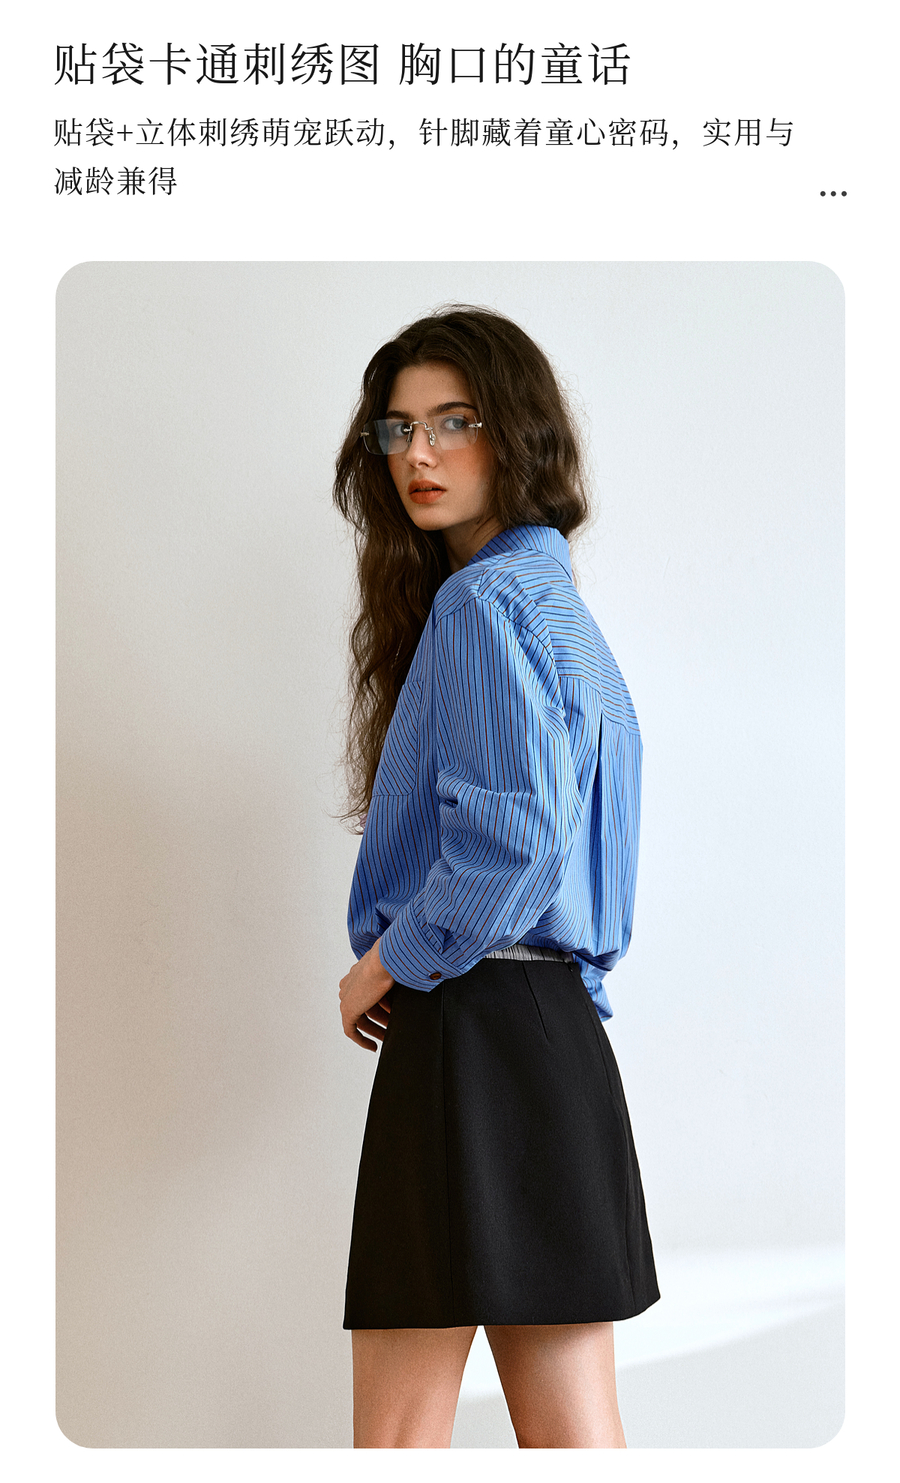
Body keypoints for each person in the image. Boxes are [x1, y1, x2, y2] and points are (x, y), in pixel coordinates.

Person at [333, 306, 659, 1449]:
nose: (418, 453)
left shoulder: (480, 604)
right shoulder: (566, 618)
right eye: (398, 428)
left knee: (398, 1437)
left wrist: (386, 961)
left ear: (516, 432)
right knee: (579, 1434)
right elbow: (584, 857)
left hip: (470, 1026)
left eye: (454, 421)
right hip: (557, 1037)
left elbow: (514, 841)